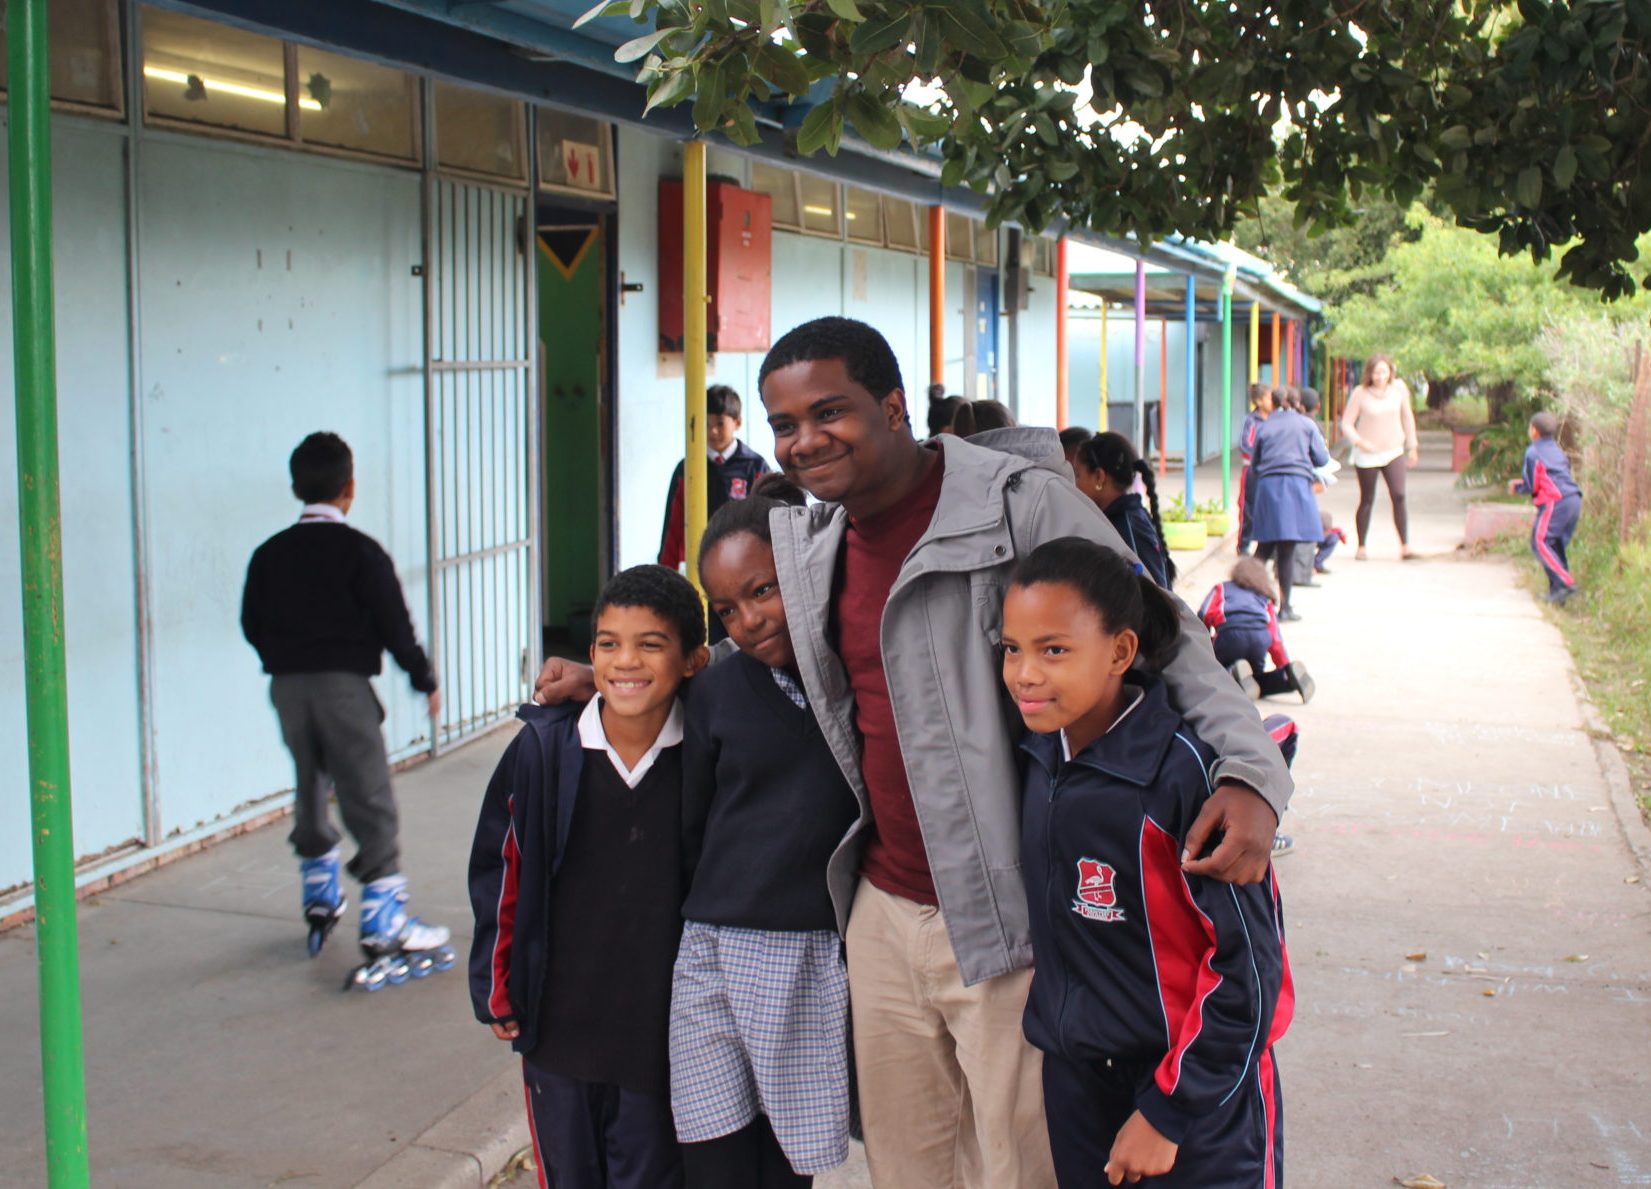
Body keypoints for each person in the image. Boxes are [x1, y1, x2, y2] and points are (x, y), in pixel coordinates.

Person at [543, 317, 1289, 1189]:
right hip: (880, 909)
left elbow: (1163, 639)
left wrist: (1250, 774)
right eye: (783, 424)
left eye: (830, 411)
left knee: (1024, 1167)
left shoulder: (1018, 505)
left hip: (1006, 918)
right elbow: (755, 663)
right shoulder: (814, 541)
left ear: (893, 407)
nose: (804, 440)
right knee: (909, 1167)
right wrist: (616, 681)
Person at [1001, 538, 1291, 1189]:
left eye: (1053, 649)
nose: (1024, 672)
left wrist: (1168, 1111)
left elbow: (1250, 969)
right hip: (1078, 1081)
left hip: (1195, 1094)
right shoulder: (1040, 753)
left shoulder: (1180, 779)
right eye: (1011, 648)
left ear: (1121, 652)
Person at [469, 565, 710, 1189]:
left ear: (693, 661)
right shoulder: (543, 751)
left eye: (650, 644)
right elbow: (500, 869)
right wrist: (497, 984)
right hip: (560, 1028)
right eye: (608, 643)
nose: (625, 661)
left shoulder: (710, 754)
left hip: (660, 1037)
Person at [672, 498, 863, 1188]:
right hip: (711, 947)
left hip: (807, 952)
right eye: (726, 609)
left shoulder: (857, 679)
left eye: (763, 590)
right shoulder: (716, 690)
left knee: (788, 1164)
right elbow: (692, 821)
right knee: (712, 1149)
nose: (748, 619)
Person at [239, 431, 450, 966]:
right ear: (349, 488)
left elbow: (251, 622)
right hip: (343, 689)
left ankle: (319, 884)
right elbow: (394, 624)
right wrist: (423, 679)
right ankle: (384, 915)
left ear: (295, 487)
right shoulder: (361, 552)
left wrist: (285, 658)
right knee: (367, 792)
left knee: (310, 776)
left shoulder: (269, 554)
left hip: (287, 688)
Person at [658, 384, 771, 572]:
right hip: (700, 563)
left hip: (744, 561)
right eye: (706, 424)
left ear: (737, 422)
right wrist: (666, 570)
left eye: (719, 423)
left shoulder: (755, 466)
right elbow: (672, 524)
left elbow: (766, 519)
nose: (712, 431)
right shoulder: (687, 468)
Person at [1242, 393, 1330, 623]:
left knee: (1263, 547)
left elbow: (1255, 464)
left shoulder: (1266, 425)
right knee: (1287, 549)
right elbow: (1321, 458)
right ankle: (1285, 607)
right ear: (1297, 404)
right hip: (1296, 489)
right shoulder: (1306, 424)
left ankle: (1244, 596)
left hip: (1269, 489)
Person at [1199, 557, 1315, 707]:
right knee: (1254, 678)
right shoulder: (1264, 596)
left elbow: (1204, 613)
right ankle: (1286, 677)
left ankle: (1231, 674)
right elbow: (1275, 638)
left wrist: (1203, 644)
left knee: (1215, 674)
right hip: (1260, 638)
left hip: (1230, 634)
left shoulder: (1221, 588)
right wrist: (1284, 665)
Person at [1337, 352, 1419, 561]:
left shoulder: (1399, 389)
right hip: (1368, 454)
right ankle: (1362, 545)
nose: (1381, 376)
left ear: (1390, 372)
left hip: (1394, 450)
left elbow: (1407, 418)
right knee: (1367, 498)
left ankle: (1405, 545)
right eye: (1376, 372)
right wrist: (1359, 442)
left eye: (1384, 372)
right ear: (1369, 374)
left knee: (1399, 494)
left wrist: (1413, 445)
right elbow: (1346, 423)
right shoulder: (1360, 393)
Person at [1073, 430, 1174, 586]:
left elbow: (1152, 594)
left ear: (1099, 476)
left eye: (1078, 475)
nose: (1073, 484)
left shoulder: (1125, 527)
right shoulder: (1125, 516)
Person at [1511, 410, 1583, 605]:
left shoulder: (1533, 452)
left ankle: (1566, 583)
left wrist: (1517, 488)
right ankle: (1557, 594)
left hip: (1555, 501)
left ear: (1534, 431)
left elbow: (1532, 483)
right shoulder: (1557, 449)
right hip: (1573, 499)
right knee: (1555, 545)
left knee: (1540, 542)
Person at [1235, 384, 1273, 555]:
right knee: (1248, 509)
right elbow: (1245, 444)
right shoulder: (1251, 420)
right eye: (1268, 398)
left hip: (1270, 471)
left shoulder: (1275, 419)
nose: (1272, 402)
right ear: (1258, 401)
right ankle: (1243, 545)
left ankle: (1266, 546)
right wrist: (1259, 459)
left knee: (1268, 508)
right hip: (1252, 471)